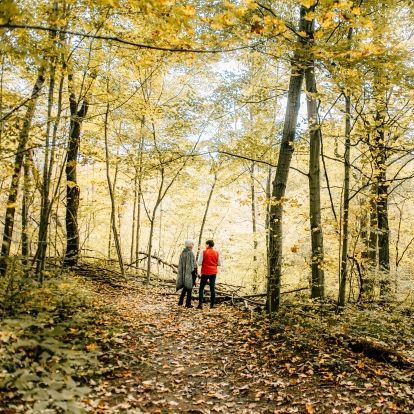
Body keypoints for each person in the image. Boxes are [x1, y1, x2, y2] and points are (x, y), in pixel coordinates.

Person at [197, 239, 222, 309]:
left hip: (205, 271)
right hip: (213, 272)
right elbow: (219, 263)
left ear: (208, 245)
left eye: (205, 244)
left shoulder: (203, 251)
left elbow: (199, 263)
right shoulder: (216, 252)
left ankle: (200, 304)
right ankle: (212, 305)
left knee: (201, 288)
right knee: (212, 288)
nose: (205, 245)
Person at [176, 240, 197, 308]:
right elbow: (193, 264)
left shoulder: (182, 253)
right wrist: (195, 272)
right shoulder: (190, 253)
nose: (193, 245)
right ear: (190, 245)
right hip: (190, 273)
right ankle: (188, 304)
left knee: (186, 286)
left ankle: (180, 301)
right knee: (189, 287)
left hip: (184, 272)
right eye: (192, 244)